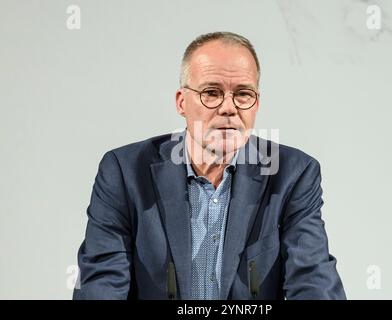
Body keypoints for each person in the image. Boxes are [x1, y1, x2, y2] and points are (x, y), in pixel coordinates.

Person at [73, 31, 346, 300]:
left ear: (256, 104)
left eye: (243, 94)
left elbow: (313, 280)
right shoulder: (125, 172)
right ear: (182, 102)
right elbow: (101, 284)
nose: (229, 108)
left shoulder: (292, 174)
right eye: (211, 93)